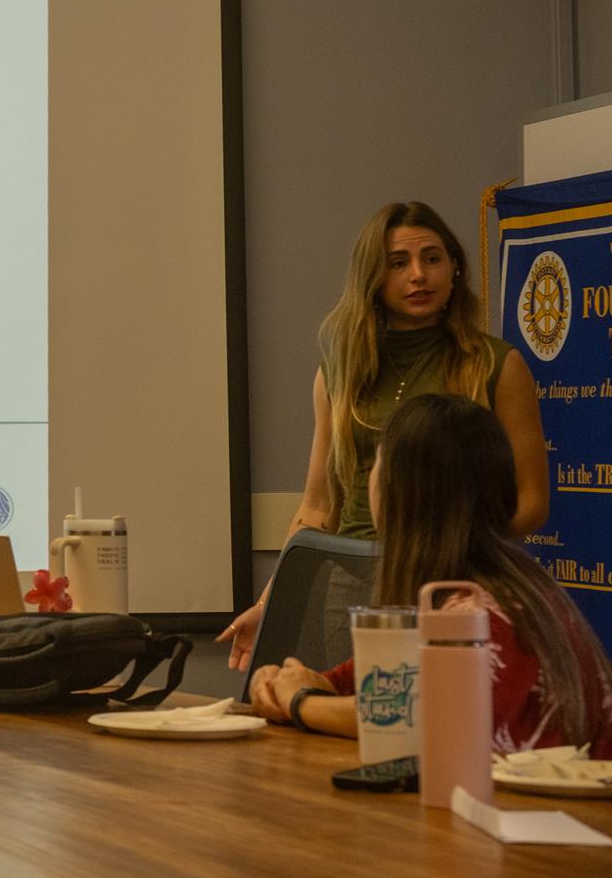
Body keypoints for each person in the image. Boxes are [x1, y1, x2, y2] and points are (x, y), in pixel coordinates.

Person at [221, 201, 548, 669]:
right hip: (352, 587)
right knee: (351, 711)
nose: (418, 275)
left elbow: (532, 502)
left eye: (432, 258)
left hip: (457, 584)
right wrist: (267, 604)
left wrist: (448, 545)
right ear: (373, 277)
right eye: (398, 263)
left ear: (455, 268)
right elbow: (318, 508)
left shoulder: (496, 365)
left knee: (445, 710)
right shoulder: (340, 371)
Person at [248, 393, 612, 758]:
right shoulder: (493, 587)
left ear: (402, 490)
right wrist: (286, 683)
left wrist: (301, 701)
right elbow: (367, 684)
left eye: (377, 461)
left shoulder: (480, 611)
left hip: (556, 801)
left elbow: (421, 717)